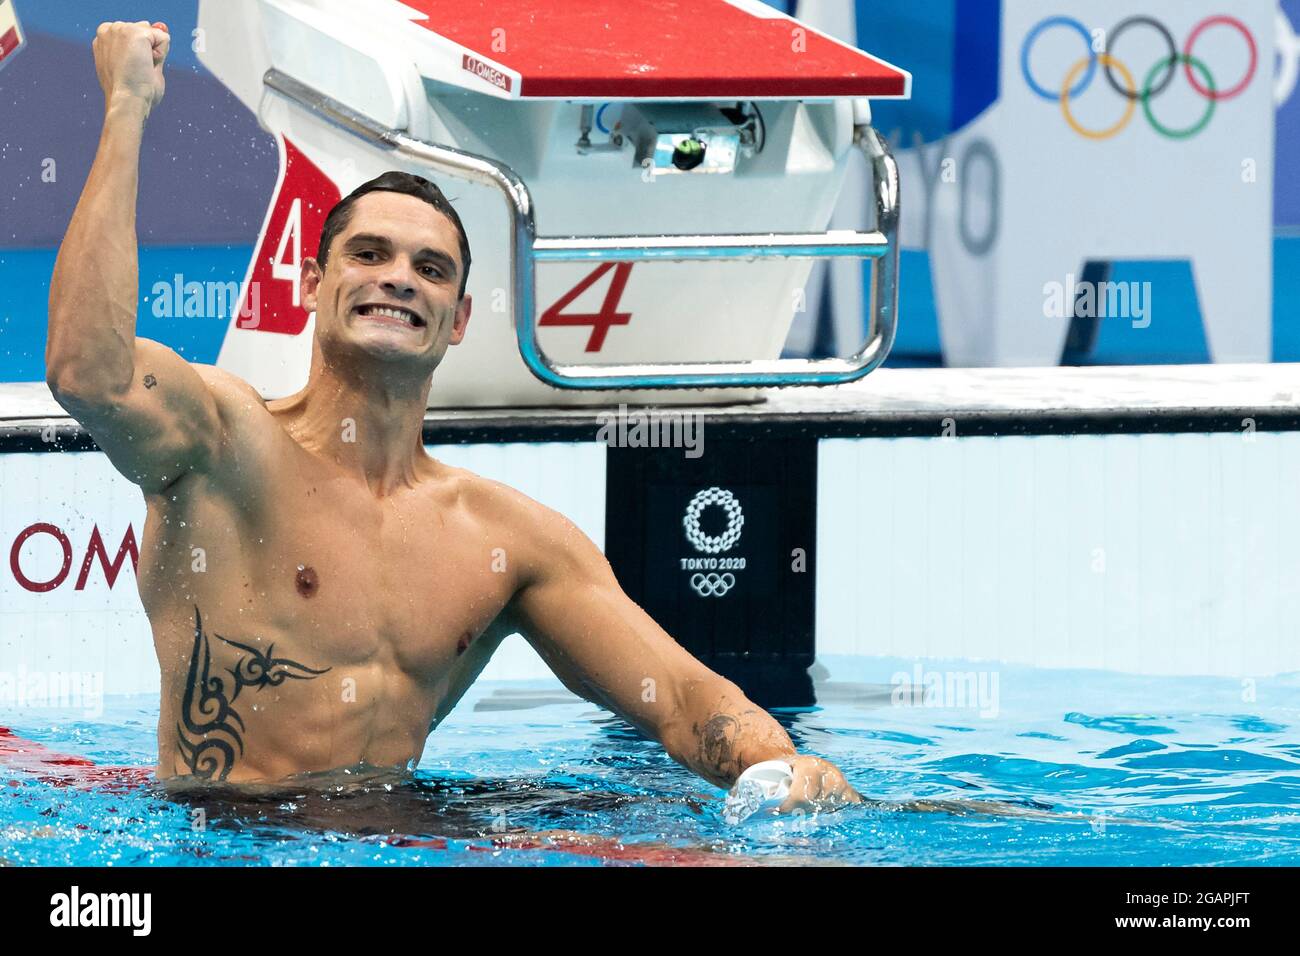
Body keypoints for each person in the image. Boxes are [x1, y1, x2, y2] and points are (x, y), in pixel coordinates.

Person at [45, 20, 861, 816]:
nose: (398, 278)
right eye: (368, 254)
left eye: (429, 269)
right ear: (309, 281)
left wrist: (780, 762)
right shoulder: (223, 443)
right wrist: (125, 109)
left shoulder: (504, 543)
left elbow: (682, 697)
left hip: (405, 833)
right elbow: (89, 372)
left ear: (460, 317)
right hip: (223, 834)